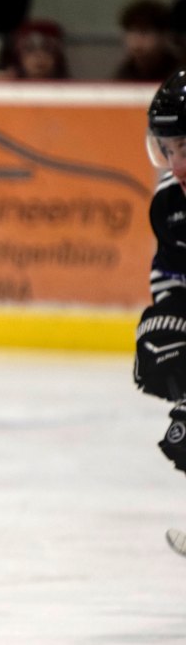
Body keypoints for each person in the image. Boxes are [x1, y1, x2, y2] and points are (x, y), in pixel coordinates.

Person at [136, 71, 186, 479]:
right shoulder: (170, 201)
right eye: (167, 150)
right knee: (160, 335)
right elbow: (170, 274)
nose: (177, 165)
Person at [114, 0, 182, 82]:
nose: (137, 40)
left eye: (145, 31)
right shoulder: (124, 74)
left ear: (163, 35)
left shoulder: (178, 74)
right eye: (132, 31)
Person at [0, 19, 70, 80]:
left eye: (48, 49)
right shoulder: (4, 87)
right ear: (18, 55)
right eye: (30, 49)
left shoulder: (71, 90)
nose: (40, 56)